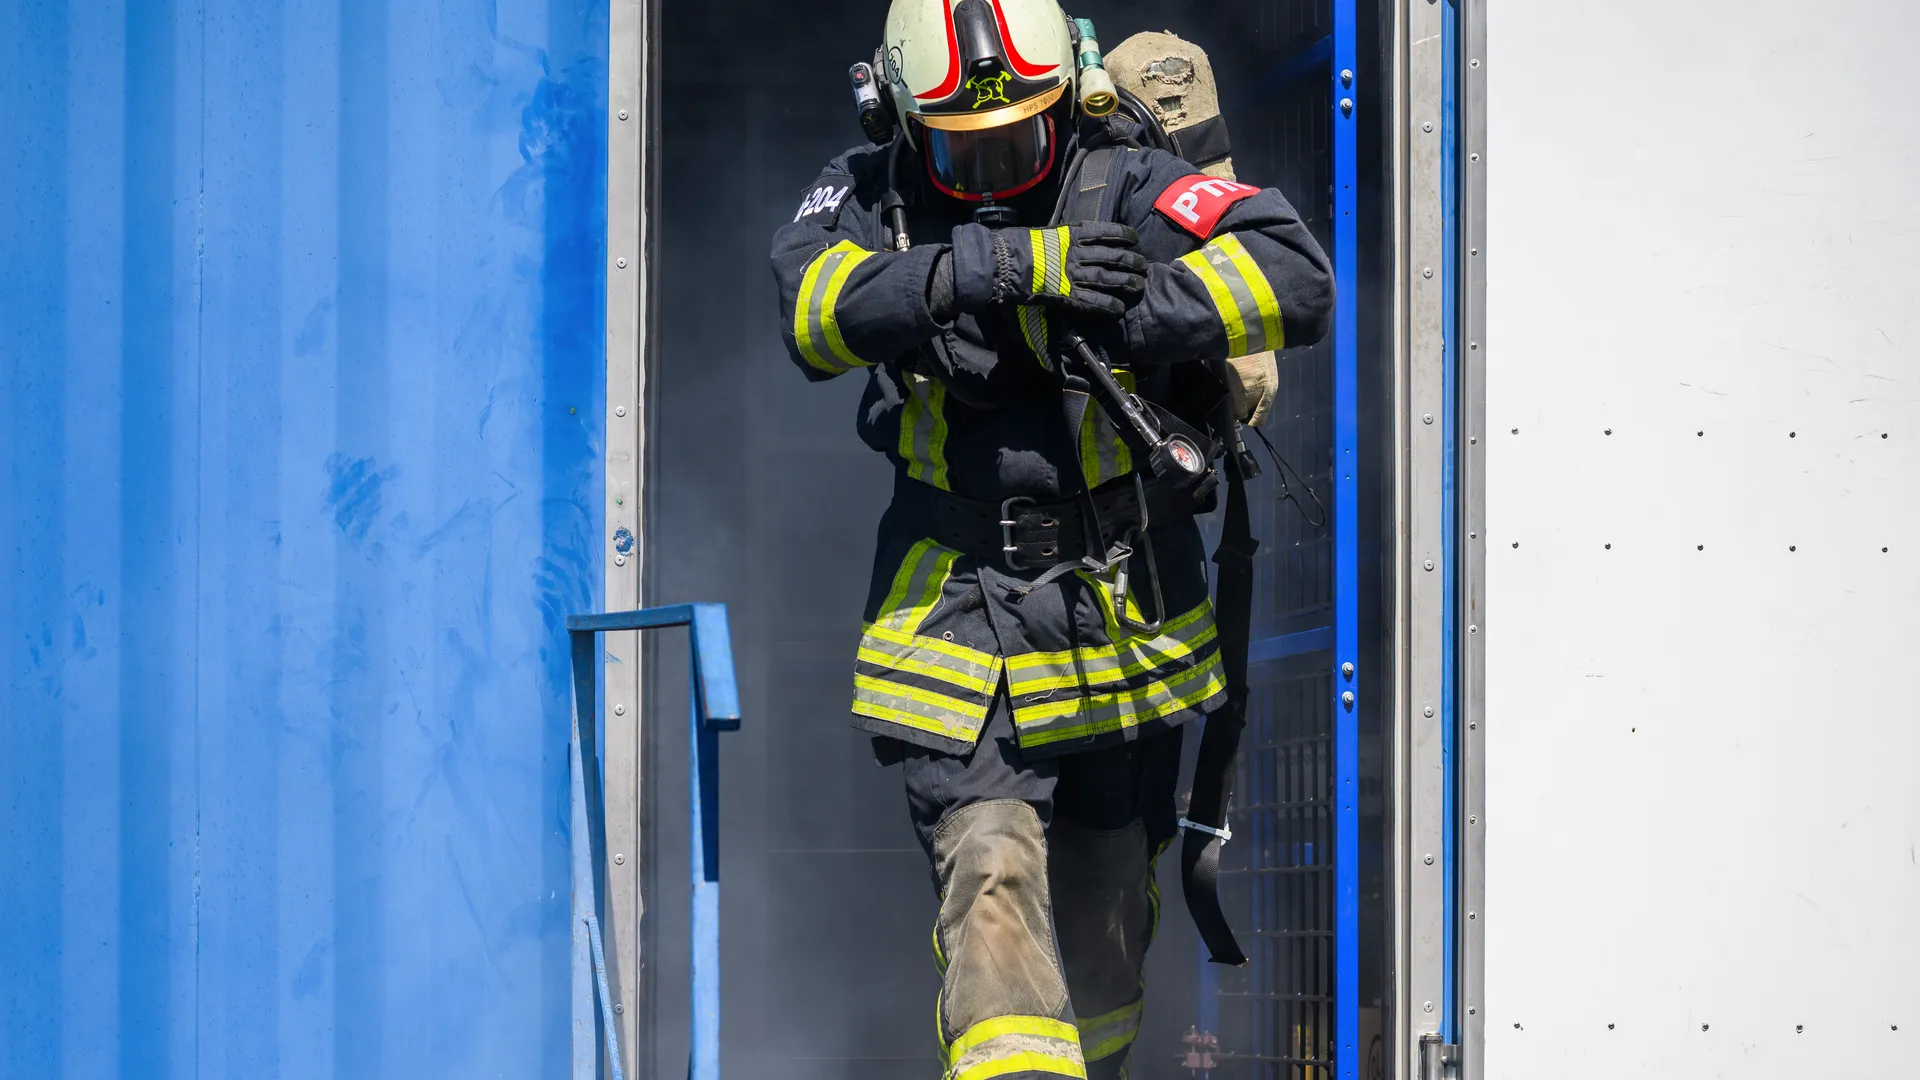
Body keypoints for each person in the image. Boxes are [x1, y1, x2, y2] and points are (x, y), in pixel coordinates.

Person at [769, 2, 1333, 1077]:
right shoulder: (870, 193)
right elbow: (807, 303)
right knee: (990, 875)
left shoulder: (1125, 178)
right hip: (956, 616)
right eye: (962, 152)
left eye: (1018, 143)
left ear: (1066, 101)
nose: (991, 173)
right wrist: (980, 270)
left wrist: (1142, 307)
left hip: (1122, 616)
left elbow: (1293, 270)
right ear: (897, 114)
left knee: (1109, 912)